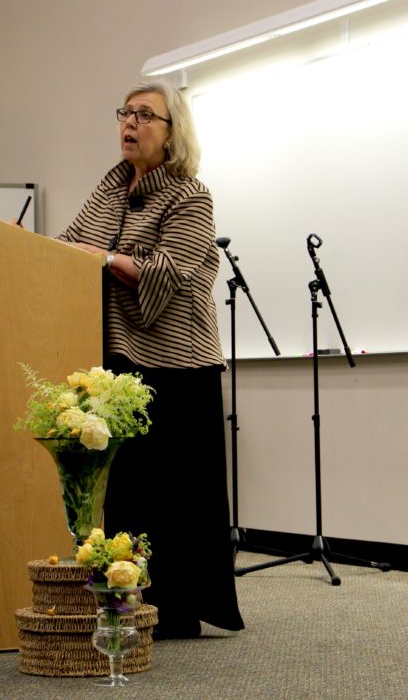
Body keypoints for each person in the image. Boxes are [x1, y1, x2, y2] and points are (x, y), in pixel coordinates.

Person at [56, 81, 244, 639]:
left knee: (178, 494)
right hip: (120, 362)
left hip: (179, 366)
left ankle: (180, 609)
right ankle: (132, 598)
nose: (130, 123)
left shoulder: (191, 196)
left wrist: (105, 257)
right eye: (125, 113)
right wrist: (31, 247)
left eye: (145, 115)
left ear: (172, 132)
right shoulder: (109, 188)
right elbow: (69, 247)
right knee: (129, 489)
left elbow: (168, 272)